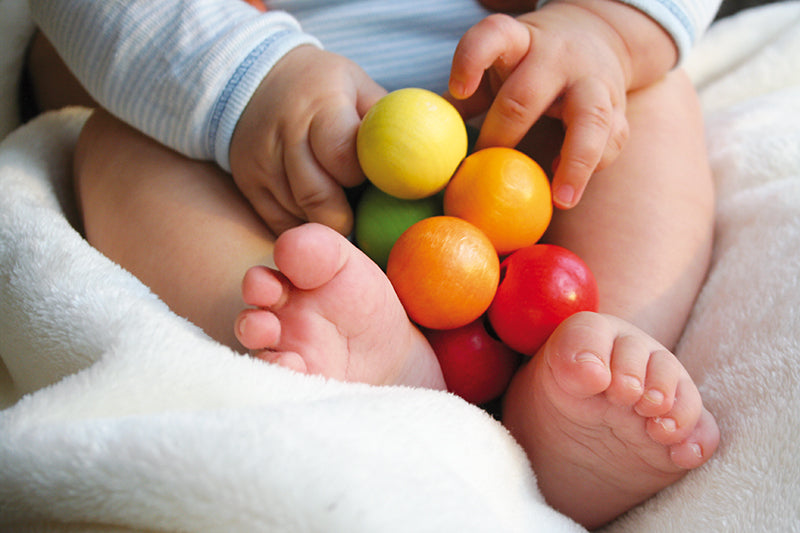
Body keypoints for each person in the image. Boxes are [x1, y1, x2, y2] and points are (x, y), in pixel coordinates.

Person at [27, 0, 722, 528]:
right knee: (118, 148)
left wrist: (609, 24)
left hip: (528, 116)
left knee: (645, 95)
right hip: (257, 158)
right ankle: (326, 337)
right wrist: (250, 82)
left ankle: (589, 354)